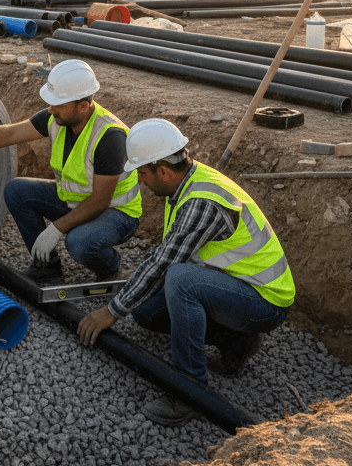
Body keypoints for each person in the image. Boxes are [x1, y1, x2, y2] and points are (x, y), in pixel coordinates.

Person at [77, 118, 294, 428]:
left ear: (163, 171)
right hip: (239, 285)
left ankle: (190, 390)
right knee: (145, 313)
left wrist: (111, 311)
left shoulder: (201, 202)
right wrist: (132, 295)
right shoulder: (186, 183)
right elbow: (168, 253)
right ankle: (236, 341)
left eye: (142, 173)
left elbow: (165, 263)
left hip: (265, 301)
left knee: (180, 279)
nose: (141, 180)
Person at [0, 59, 141, 282]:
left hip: (116, 212)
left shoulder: (109, 136)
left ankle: (111, 270)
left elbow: (100, 200)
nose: (51, 109)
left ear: (82, 105)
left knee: (78, 242)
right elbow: (11, 133)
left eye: (58, 104)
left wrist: (55, 229)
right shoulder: (58, 118)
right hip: (75, 201)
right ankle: (46, 267)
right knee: (17, 190)